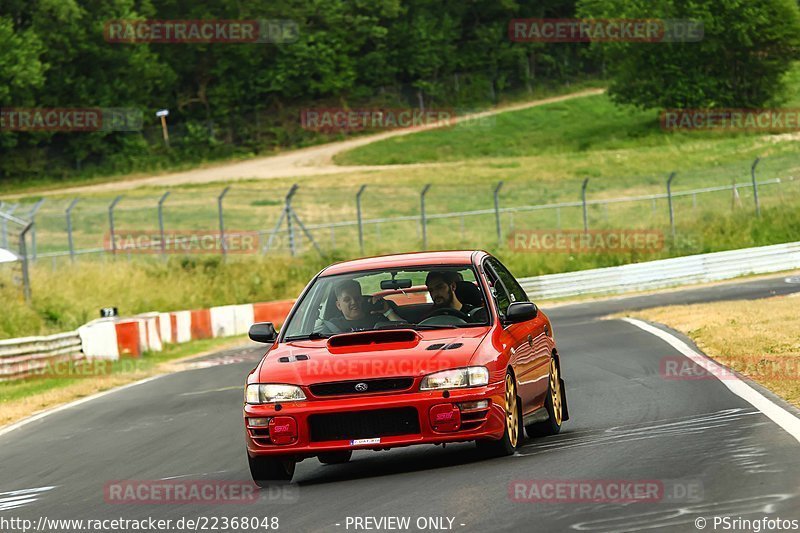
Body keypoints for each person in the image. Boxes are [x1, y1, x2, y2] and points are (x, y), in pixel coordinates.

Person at [329, 279, 403, 332]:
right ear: (338, 305)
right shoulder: (332, 326)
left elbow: (404, 330)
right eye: (347, 300)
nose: (353, 302)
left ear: (362, 299)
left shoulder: (378, 318)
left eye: (357, 298)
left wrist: (388, 311)